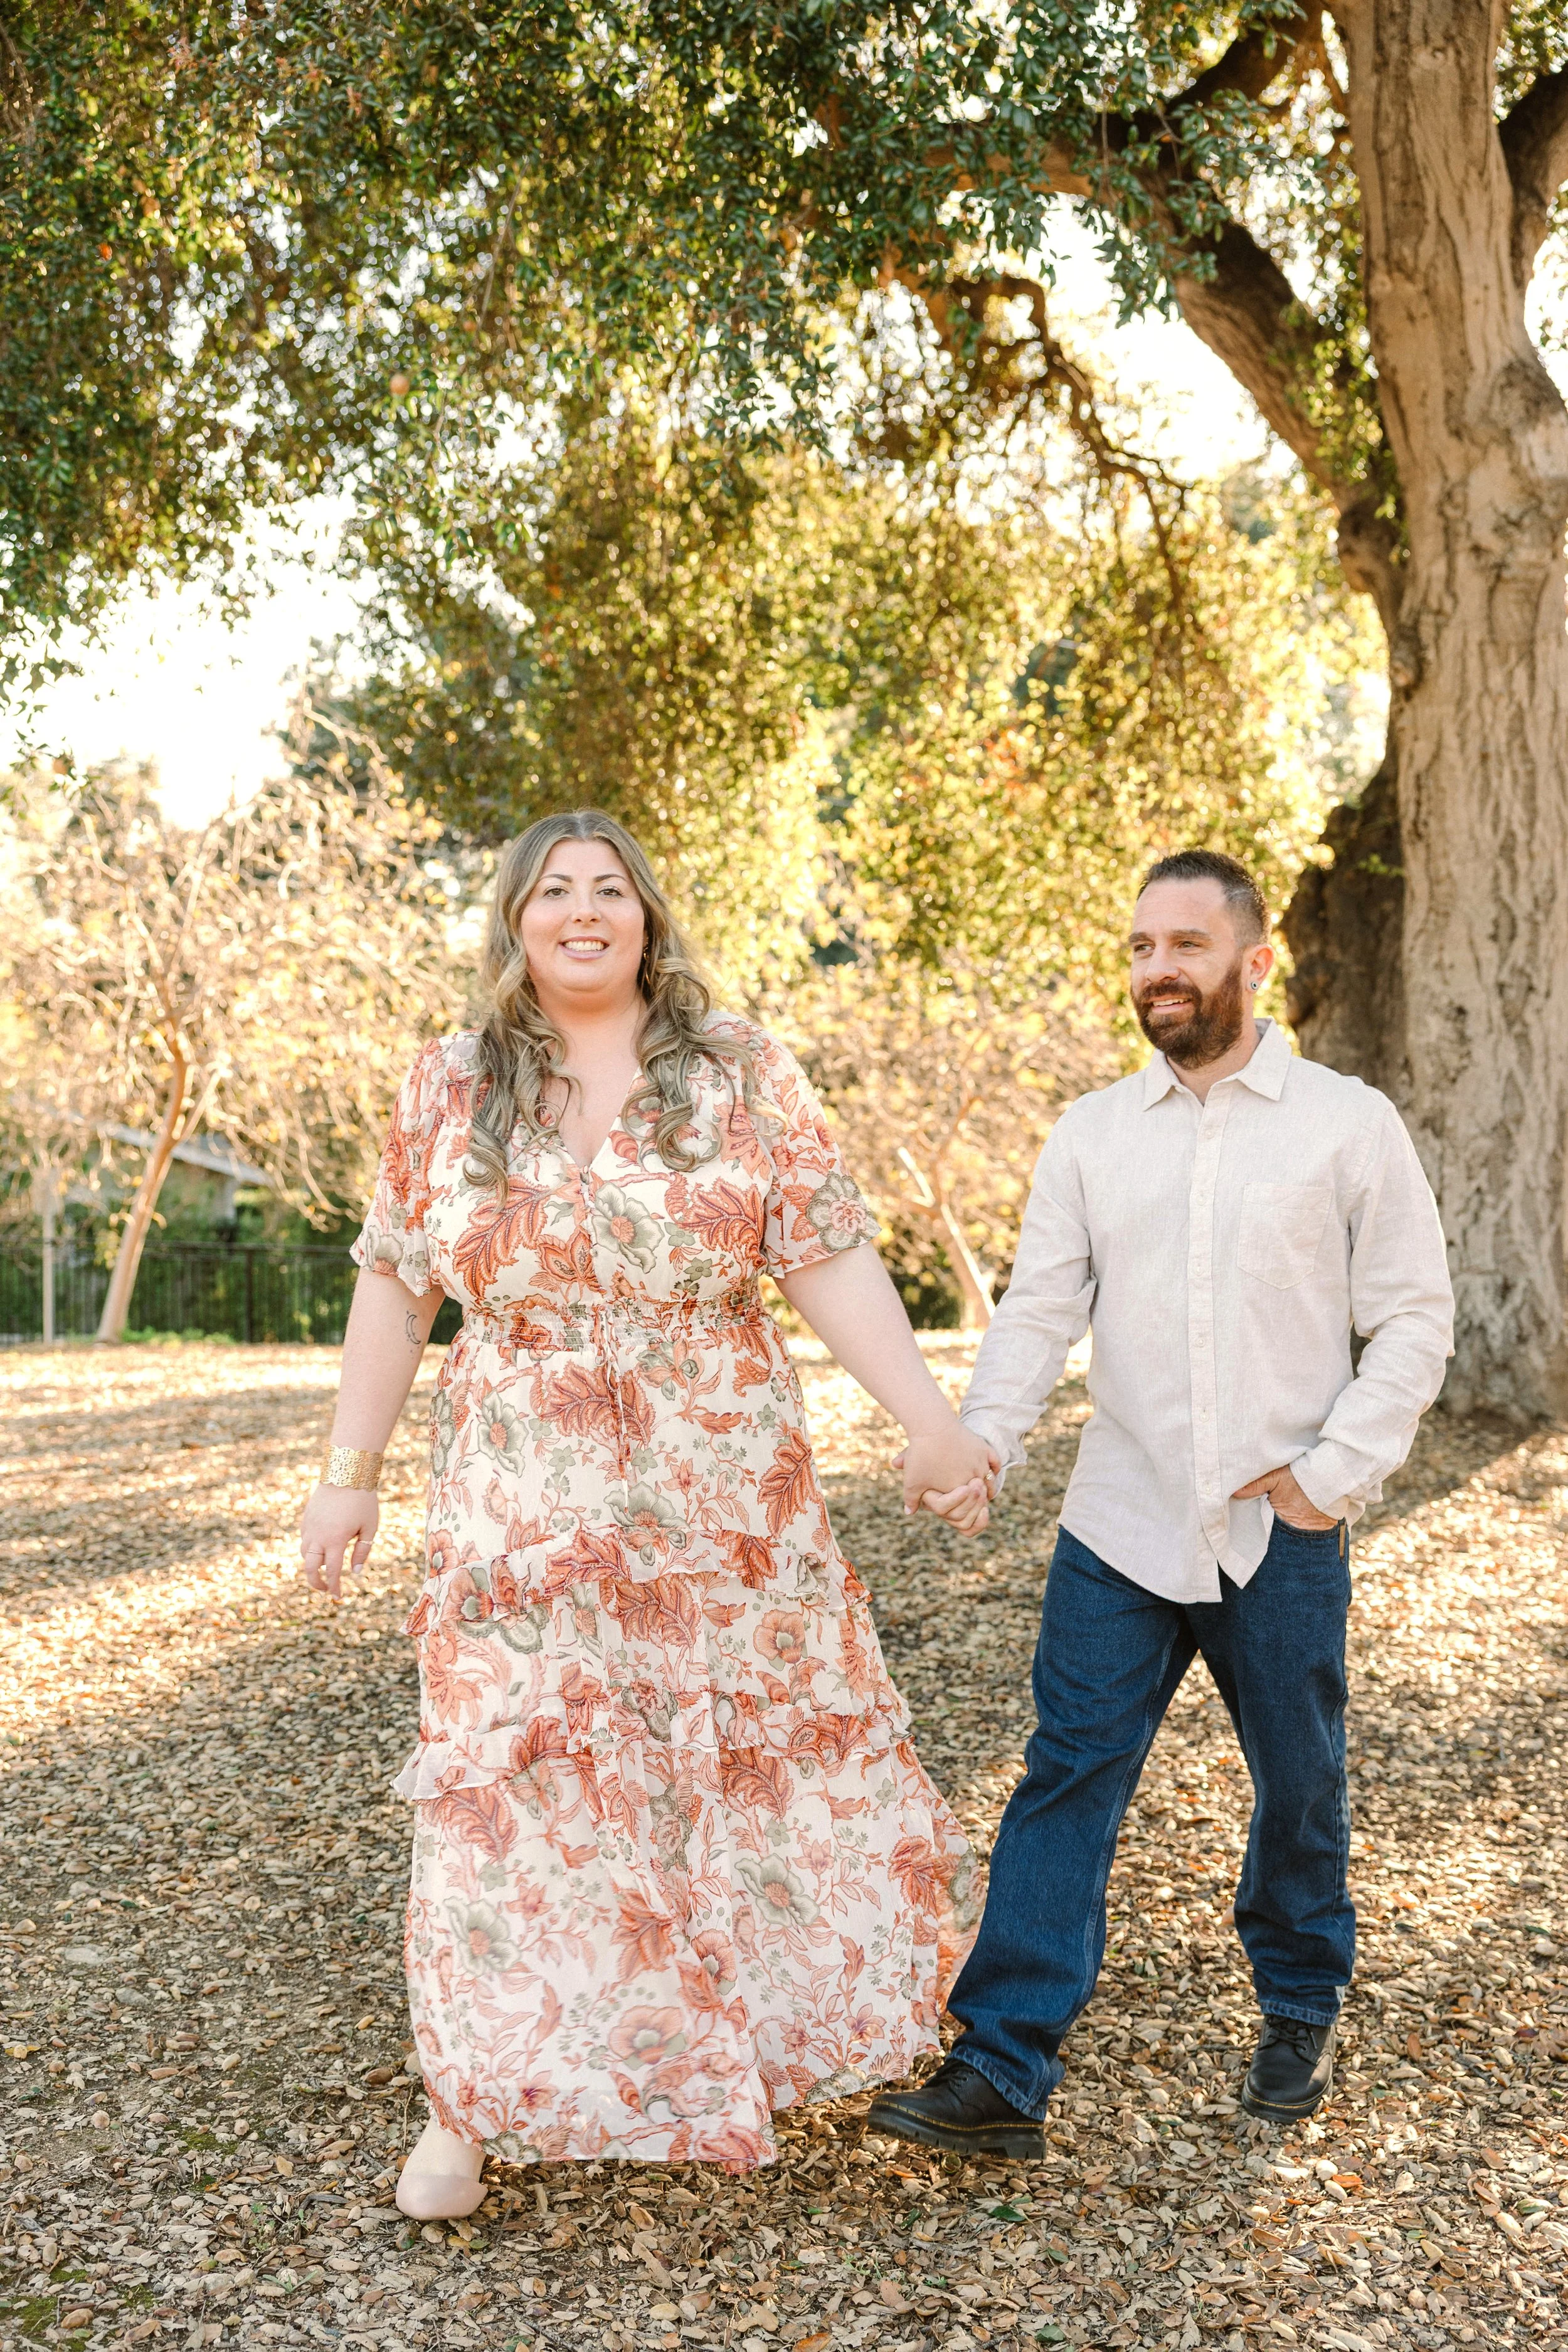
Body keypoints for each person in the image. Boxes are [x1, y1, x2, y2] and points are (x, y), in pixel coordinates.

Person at [299, 808, 997, 2213]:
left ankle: (737, 2047)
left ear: (646, 917)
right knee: (519, 1779)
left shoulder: (737, 1070)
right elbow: (394, 1279)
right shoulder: (449, 1086)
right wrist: (346, 1471)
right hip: (524, 1499)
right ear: (512, 921)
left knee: (730, 1766)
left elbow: (827, 1256)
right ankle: (474, 2098)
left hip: (723, 1496)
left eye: (607, 889)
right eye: (551, 890)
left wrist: (928, 1423)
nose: (580, 910)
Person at [867, 848, 1454, 2158]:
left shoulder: (1344, 1124)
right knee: (1065, 1775)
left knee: (1296, 1782)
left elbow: (1414, 1319)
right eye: (1138, 948)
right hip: (1118, 1522)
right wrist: (979, 1443)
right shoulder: (1089, 1136)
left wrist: (1329, 1474)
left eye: (1182, 946)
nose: (1154, 972)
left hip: (1277, 1526)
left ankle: (1298, 2002)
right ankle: (1002, 2067)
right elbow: (1036, 1313)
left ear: (1253, 961)